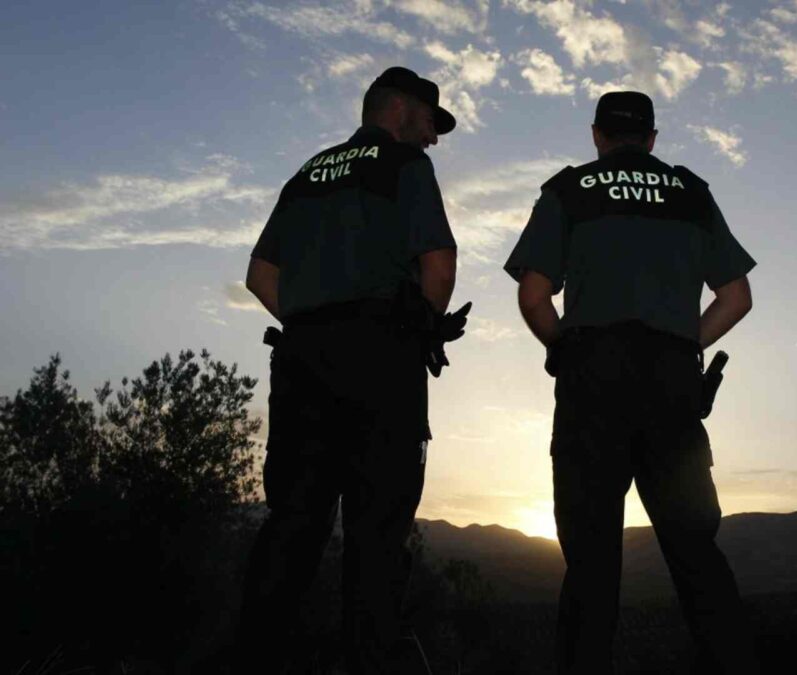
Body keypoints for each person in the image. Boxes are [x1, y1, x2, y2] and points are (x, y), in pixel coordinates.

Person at [504, 91, 759, 674]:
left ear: (597, 135)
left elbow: (534, 293)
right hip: (671, 383)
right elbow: (737, 296)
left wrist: (564, 349)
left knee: (591, 563)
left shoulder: (568, 190)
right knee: (696, 553)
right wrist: (684, 345)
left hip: (592, 380)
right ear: (651, 138)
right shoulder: (692, 193)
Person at [235, 66, 467, 674]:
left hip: (301, 365)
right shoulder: (407, 167)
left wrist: (316, 319)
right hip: (380, 362)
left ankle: (254, 657)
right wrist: (409, 324)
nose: (433, 138)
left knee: (291, 524)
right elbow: (439, 266)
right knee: (377, 534)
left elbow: (260, 275)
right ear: (397, 109)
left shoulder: (308, 173)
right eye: (428, 121)